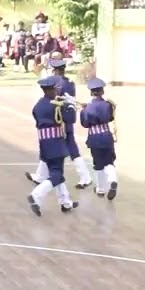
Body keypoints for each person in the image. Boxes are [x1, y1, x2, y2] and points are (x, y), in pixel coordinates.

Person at [26, 58, 92, 188]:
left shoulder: (57, 83)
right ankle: (40, 176)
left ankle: (85, 177)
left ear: (55, 70)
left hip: (59, 119)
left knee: (62, 146)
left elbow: (55, 100)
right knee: (59, 146)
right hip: (67, 116)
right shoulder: (69, 82)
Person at [28, 76, 80, 215]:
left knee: (56, 173)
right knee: (56, 175)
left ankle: (65, 202)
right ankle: (36, 195)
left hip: (44, 143)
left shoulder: (38, 105)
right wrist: (70, 105)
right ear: (52, 89)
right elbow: (71, 119)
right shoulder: (56, 105)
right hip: (55, 143)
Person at [80, 77, 118, 200]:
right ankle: (112, 179)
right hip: (107, 135)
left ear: (91, 92)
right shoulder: (108, 105)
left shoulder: (88, 108)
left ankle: (100, 189)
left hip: (94, 137)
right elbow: (111, 118)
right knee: (109, 161)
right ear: (102, 91)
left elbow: (85, 124)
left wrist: (83, 110)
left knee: (98, 163)